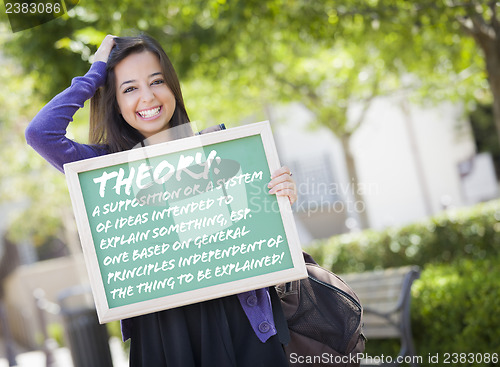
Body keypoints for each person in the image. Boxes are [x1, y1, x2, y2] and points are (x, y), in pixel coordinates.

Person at [26, 34, 297, 367]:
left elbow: (256, 236)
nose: (147, 97)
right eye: (129, 88)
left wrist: (278, 199)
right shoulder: (103, 169)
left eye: (157, 81)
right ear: (113, 99)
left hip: (239, 318)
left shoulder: (217, 147)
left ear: (172, 87)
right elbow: (41, 133)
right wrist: (95, 72)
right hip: (163, 332)